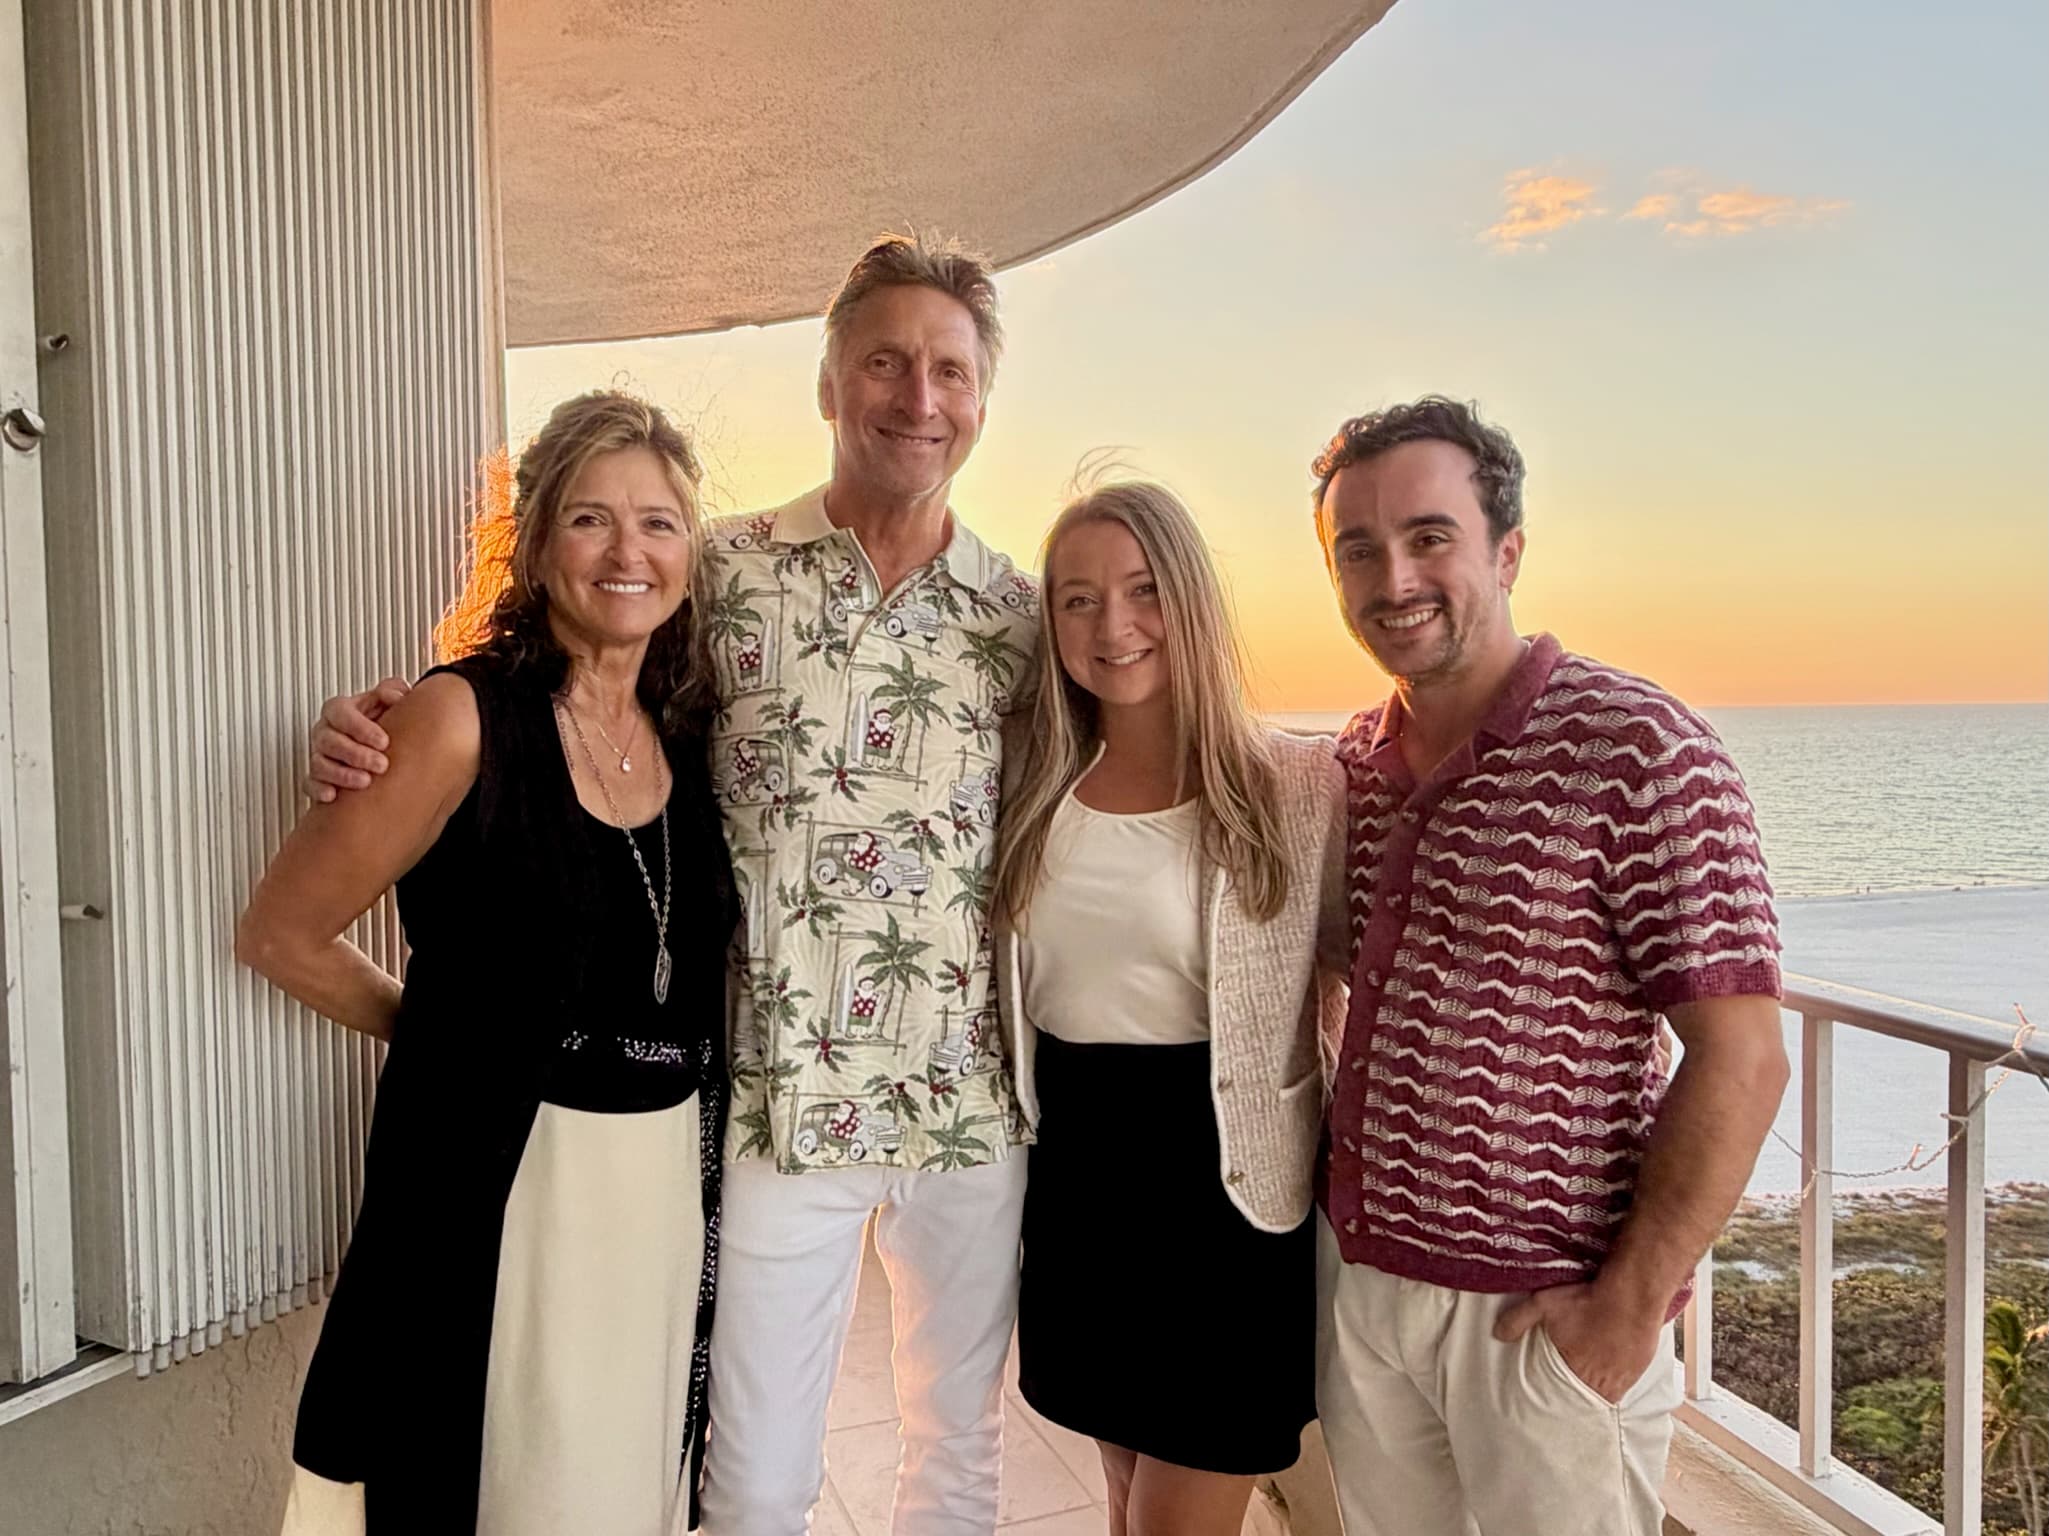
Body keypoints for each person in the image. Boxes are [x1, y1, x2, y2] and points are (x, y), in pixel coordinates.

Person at [304, 234, 1041, 1536]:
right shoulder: (731, 571)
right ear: (827, 383)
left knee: (956, 1464)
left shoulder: (1023, 619)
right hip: (764, 1102)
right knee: (747, 1487)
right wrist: (384, 720)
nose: (916, 398)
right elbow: (564, 660)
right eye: (883, 362)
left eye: (948, 371)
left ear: (983, 397)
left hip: (963, 1108)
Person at [239, 391, 735, 1534]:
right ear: (538, 541)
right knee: (495, 1485)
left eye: (660, 524)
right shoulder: (459, 717)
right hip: (507, 1183)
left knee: (615, 1485)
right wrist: (453, 1031)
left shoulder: (691, 730)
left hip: (657, 1187)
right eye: (592, 519)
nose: (629, 553)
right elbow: (282, 934)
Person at [1307, 396, 1791, 1536]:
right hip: (1368, 1295)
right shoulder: (1352, 764)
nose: (1394, 579)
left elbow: (1745, 1056)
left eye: (1430, 537)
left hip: (1541, 1320)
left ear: (1507, 550)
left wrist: (1626, 1313)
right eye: (1358, 550)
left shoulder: (1640, 750)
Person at [992, 480, 1348, 1536]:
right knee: (1124, 1500)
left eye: (1144, 590)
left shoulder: (1295, 784)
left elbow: (1366, 976)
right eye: (1079, 600)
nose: (1115, 626)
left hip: (1225, 1197)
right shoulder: (1027, 780)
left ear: (1191, 599)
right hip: (1078, 1184)